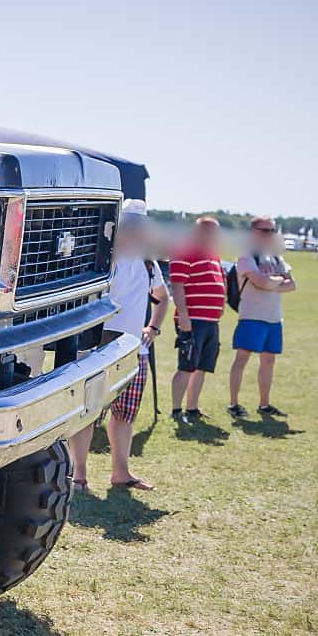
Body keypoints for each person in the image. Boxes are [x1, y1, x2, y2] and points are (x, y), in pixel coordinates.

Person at [66, 199, 167, 490]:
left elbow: (163, 298)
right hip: (100, 346)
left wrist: (154, 328)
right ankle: (79, 476)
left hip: (135, 350)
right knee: (87, 414)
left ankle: (121, 474)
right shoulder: (102, 258)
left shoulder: (149, 263)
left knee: (125, 415)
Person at [227, 217, 297, 419]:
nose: (270, 235)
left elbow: (293, 284)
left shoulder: (275, 256)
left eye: (272, 231)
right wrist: (276, 280)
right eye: (265, 230)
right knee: (242, 359)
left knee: (269, 361)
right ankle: (234, 404)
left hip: (274, 318)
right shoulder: (247, 255)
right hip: (251, 316)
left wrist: (270, 281)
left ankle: (264, 404)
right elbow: (260, 282)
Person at [168, 216, 227, 424]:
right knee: (186, 366)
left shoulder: (214, 256)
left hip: (211, 321)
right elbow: (177, 285)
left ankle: (192, 408)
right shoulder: (185, 251)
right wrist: (183, 315)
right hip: (192, 320)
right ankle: (176, 410)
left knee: (202, 367)